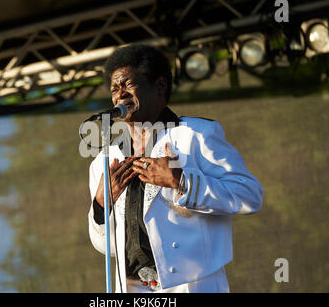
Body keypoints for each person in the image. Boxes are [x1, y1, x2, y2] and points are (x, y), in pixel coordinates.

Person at [87, 44, 263, 293]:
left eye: (128, 84)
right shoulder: (105, 160)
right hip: (133, 289)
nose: (120, 94)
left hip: (192, 285)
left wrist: (182, 181)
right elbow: (108, 247)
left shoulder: (195, 135)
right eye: (114, 89)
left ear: (159, 86)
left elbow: (249, 195)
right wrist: (100, 206)